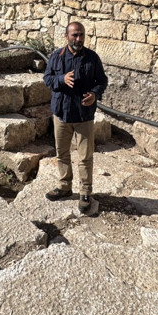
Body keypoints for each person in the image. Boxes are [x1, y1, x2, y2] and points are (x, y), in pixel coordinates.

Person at [42, 21, 108, 214]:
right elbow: (47, 79)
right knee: (62, 153)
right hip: (61, 115)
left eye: (81, 35)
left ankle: (85, 192)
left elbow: (102, 80)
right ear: (66, 36)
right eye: (74, 35)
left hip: (84, 115)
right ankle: (64, 186)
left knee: (85, 157)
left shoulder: (92, 58)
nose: (78, 39)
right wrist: (62, 79)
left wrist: (95, 94)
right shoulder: (56, 56)